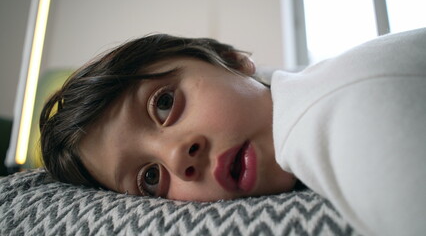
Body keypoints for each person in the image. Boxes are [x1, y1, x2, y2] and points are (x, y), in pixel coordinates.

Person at [39, 28, 426, 235]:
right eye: (150, 177)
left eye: (163, 103)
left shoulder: (338, 112)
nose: (177, 157)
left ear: (232, 60)